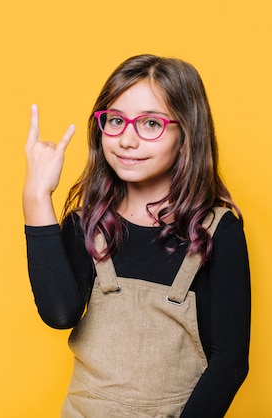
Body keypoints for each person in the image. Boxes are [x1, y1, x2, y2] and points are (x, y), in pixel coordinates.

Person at [23, 54, 251, 418]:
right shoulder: (87, 223)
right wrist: (36, 197)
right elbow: (60, 313)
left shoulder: (217, 230)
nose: (127, 140)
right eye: (115, 121)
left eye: (150, 124)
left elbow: (230, 362)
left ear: (186, 133)